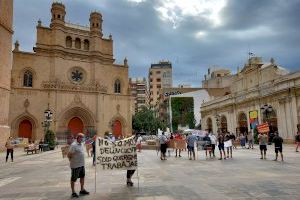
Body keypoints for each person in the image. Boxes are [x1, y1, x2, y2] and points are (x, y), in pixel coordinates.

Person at [67, 133, 89, 198]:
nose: (83, 138)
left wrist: (94, 138)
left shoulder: (81, 144)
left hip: (82, 164)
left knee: (82, 177)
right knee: (73, 179)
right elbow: (69, 155)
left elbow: (87, 142)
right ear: (78, 138)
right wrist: (72, 160)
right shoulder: (73, 145)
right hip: (75, 165)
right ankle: (73, 192)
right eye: (82, 137)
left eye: (83, 137)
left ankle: (82, 189)